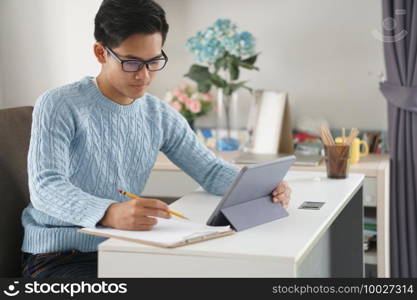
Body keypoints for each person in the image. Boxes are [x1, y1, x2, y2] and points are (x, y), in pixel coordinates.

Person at [21, 0, 291, 279]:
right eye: (131, 63)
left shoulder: (158, 113)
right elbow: (46, 188)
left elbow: (210, 171)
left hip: (126, 248)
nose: (144, 75)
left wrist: (262, 186)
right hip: (61, 257)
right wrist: (109, 213)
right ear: (100, 52)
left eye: (153, 62)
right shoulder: (59, 104)